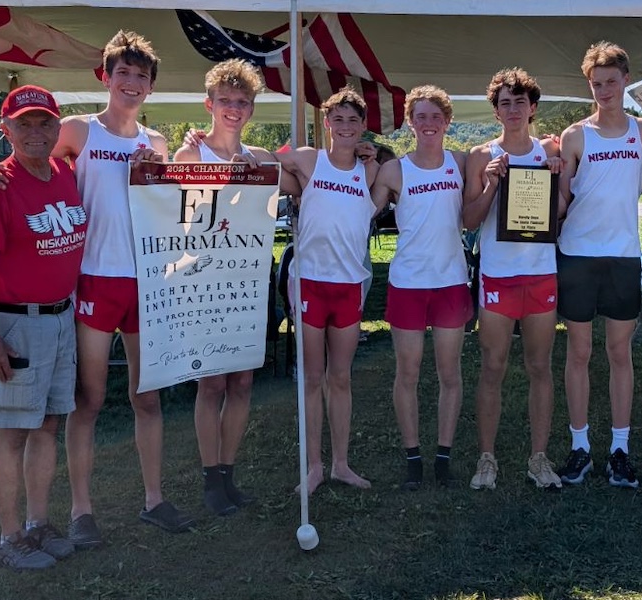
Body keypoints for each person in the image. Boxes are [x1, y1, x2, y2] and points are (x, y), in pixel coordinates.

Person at [0, 31, 194, 544]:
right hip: (93, 281)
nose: (132, 83)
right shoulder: (78, 130)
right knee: (86, 402)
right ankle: (81, 510)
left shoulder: (154, 144)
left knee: (148, 399)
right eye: (124, 73)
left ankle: (154, 498)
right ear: (106, 77)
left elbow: (179, 208)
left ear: (151, 86)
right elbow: (25, 159)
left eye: (142, 75)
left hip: (144, 284)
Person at [0, 86, 87, 569]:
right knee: (12, 431)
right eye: (25, 124)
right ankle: (8, 538)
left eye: (45, 123)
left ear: (58, 127)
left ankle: (37, 523)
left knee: (47, 425)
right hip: (16, 323)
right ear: (5, 128)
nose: (36, 133)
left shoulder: (64, 174)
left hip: (60, 318)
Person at [556, 42, 642, 488]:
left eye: (611, 81)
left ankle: (620, 450)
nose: (604, 90)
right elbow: (562, 198)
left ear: (626, 79)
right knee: (579, 353)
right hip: (578, 254)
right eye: (596, 83)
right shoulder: (575, 135)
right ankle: (580, 447)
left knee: (620, 353)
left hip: (623, 255)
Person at [173, 59, 282, 515]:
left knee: (241, 382)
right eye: (225, 102)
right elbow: (181, 225)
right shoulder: (189, 156)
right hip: (203, 283)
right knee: (211, 384)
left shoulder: (261, 160)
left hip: (247, 284)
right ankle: (209, 479)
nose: (233, 110)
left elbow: (270, 214)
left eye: (242, 102)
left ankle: (229, 474)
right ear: (209, 104)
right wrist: (229, 183)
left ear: (252, 108)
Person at [273, 88, 382, 495]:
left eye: (354, 120)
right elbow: (267, 164)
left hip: (348, 285)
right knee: (311, 377)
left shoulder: (366, 170)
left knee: (341, 377)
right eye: (338, 119)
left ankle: (340, 464)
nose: (346, 127)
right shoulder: (309, 159)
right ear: (327, 123)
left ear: (363, 126)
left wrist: (373, 157)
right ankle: (313, 466)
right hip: (310, 285)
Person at [462, 68, 565, 490]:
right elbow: (468, 220)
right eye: (505, 102)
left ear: (533, 108)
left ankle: (538, 458)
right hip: (499, 275)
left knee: (540, 367)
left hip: (541, 275)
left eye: (520, 101)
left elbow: (559, 213)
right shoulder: (480, 155)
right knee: (493, 367)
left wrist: (557, 176)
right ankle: (487, 459)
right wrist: (489, 184)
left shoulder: (549, 150)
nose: (513, 109)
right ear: (496, 111)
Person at [370, 86, 471, 490]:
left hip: (450, 282)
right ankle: (413, 456)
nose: (428, 124)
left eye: (435, 117)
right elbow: (364, 209)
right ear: (410, 122)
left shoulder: (461, 163)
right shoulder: (395, 169)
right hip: (409, 282)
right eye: (420, 117)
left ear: (447, 122)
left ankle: (443, 456)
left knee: (450, 373)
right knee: (407, 372)